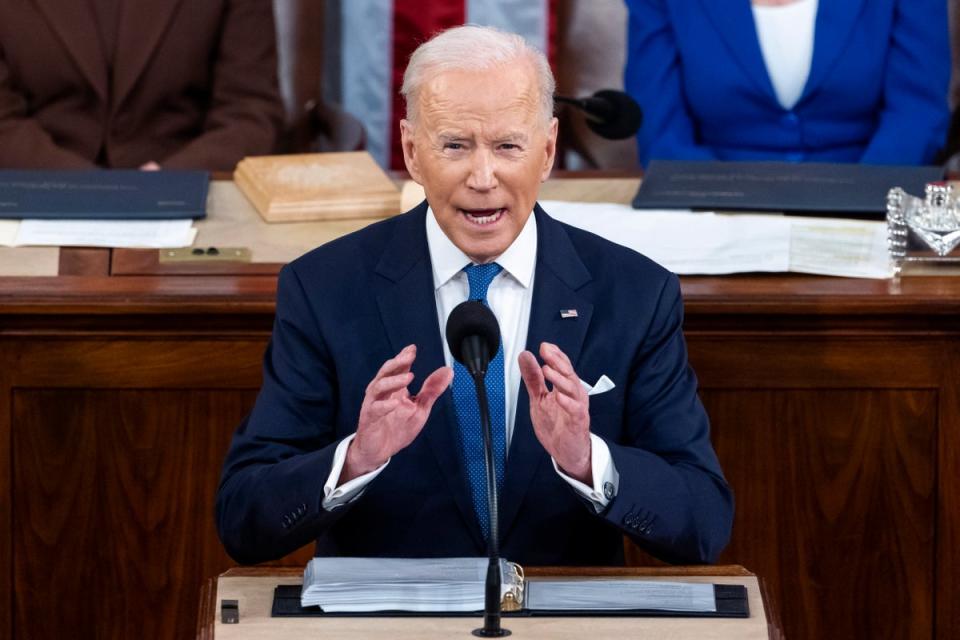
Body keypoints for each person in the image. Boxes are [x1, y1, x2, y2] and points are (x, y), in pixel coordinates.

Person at [216, 25, 733, 567]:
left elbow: (702, 523)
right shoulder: (324, 287)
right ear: (413, 152)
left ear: (549, 149)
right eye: (455, 146)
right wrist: (355, 460)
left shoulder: (635, 292)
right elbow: (243, 520)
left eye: (508, 146)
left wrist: (587, 462)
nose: (482, 177)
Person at [624, 0, 951, 167]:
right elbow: (659, 124)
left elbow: (917, 111)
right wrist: (722, 205)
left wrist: (859, 201)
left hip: (868, 203)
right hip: (713, 211)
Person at [0, 0, 283, 170]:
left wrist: (168, 180)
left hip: (186, 192)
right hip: (37, 187)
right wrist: (81, 187)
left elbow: (250, 110)